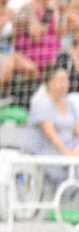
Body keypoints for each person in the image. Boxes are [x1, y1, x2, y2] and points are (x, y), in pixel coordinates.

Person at [19, 64, 79, 195]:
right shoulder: (42, 103)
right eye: (60, 80)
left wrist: (76, 151)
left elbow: (77, 129)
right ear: (49, 82)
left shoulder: (69, 104)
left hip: (70, 150)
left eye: (66, 80)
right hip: (47, 151)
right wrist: (67, 154)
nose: (65, 84)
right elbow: (51, 134)